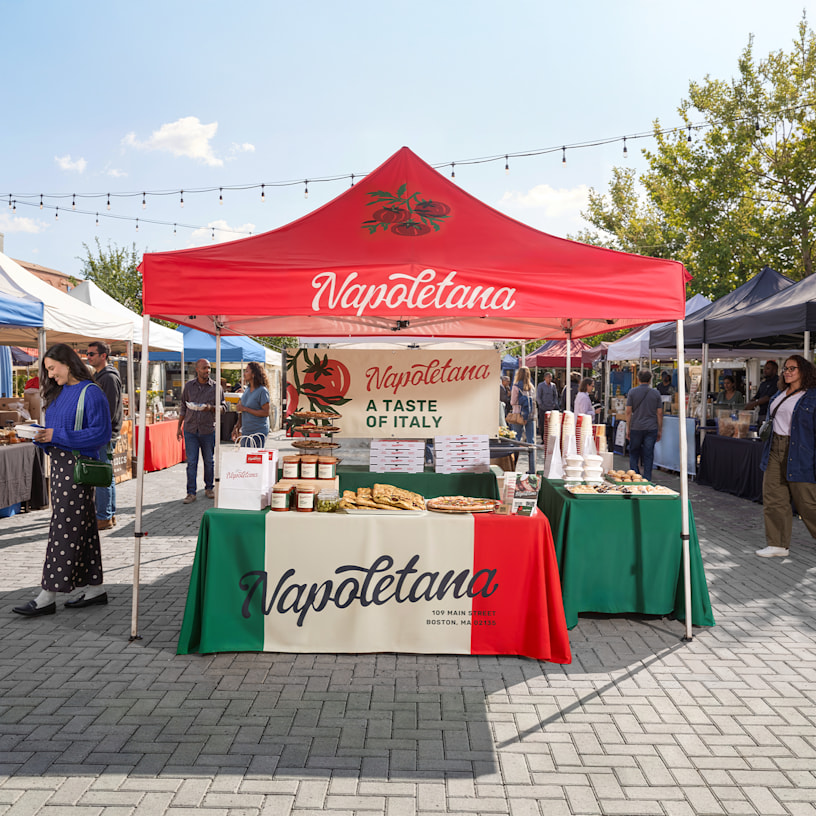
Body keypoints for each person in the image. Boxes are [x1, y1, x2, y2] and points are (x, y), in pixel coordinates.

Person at [12, 344, 112, 617]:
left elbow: (101, 435)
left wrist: (54, 435)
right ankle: (95, 588)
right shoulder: (58, 392)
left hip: (77, 469)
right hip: (59, 466)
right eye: (47, 370)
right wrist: (39, 436)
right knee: (84, 525)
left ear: (67, 363)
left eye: (52, 368)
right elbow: (53, 433)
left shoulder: (91, 393)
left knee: (63, 528)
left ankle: (48, 594)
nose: (50, 374)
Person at [757, 354, 816, 558]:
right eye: (786, 369)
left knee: (807, 502)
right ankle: (778, 544)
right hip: (775, 447)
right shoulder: (780, 393)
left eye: (792, 368)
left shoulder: (812, 396)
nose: (787, 372)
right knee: (774, 497)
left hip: (800, 450)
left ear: (804, 371)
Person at [177, 359, 226, 504]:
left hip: (207, 429)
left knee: (209, 461)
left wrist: (210, 408)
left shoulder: (216, 388)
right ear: (197, 369)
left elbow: (224, 408)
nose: (207, 371)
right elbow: (183, 407)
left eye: (209, 368)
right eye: (204, 368)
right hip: (190, 429)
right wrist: (178, 427)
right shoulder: (188, 386)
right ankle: (190, 492)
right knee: (191, 462)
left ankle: (209, 488)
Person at [86, 341, 123, 531]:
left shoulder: (107, 378)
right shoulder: (101, 375)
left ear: (103, 356)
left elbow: (108, 408)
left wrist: (99, 431)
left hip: (104, 434)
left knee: (102, 476)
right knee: (105, 475)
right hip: (104, 433)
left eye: (92, 354)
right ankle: (108, 514)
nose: (88, 357)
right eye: (87, 353)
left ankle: (104, 517)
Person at [625, 369, 663, 480]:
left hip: (636, 427)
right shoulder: (656, 393)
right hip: (651, 427)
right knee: (648, 454)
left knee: (634, 452)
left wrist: (628, 428)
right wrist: (660, 429)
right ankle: (647, 478)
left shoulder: (632, 392)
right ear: (650, 379)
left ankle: (634, 476)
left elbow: (628, 411)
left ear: (638, 379)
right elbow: (659, 413)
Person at [231, 361, 270, 448]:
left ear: (254, 374)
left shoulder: (262, 391)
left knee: (253, 458)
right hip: (246, 431)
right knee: (245, 458)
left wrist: (245, 409)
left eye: (247, 371)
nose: (244, 374)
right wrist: (237, 426)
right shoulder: (247, 390)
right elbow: (242, 410)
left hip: (258, 432)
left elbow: (266, 412)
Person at [510, 366, 536, 444]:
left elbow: (513, 401)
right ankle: (532, 456)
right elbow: (534, 400)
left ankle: (515, 455)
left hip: (518, 414)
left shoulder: (516, 386)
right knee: (530, 439)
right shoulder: (531, 387)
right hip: (530, 414)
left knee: (516, 438)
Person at [536, 371, 559, 441]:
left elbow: (555, 395)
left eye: (551, 377)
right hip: (543, 408)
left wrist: (554, 404)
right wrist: (541, 405)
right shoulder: (541, 385)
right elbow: (538, 396)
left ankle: (550, 438)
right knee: (543, 424)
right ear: (545, 378)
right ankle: (543, 439)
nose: (550, 379)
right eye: (549, 377)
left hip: (551, 407)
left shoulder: (553, 385)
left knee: (551, 424)